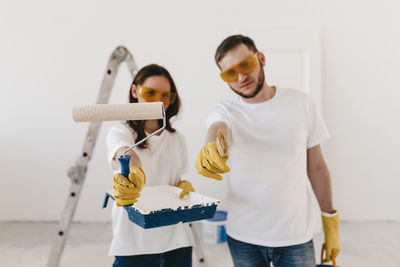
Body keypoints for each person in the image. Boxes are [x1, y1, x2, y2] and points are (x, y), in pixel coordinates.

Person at [196, 35, 340, 267]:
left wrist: (330, 219)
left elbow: (316, 167)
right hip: (244, 236)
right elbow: (217, 127)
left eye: (246, 65)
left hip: (295, 237)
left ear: (261, 58)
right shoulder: (225, 111)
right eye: (230, 73)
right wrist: (211, 144)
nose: (241, 77)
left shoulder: (301, 103)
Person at [106, 64, 195, 267]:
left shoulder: (177, 139)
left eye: (165, 96)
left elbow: (177, 177)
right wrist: (135, 168)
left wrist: (183, 186)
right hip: (134, 241)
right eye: (150, 93)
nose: (158, 101)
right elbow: (125, 151)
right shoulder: (120, 132)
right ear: (135, 91)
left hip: (176, 239)